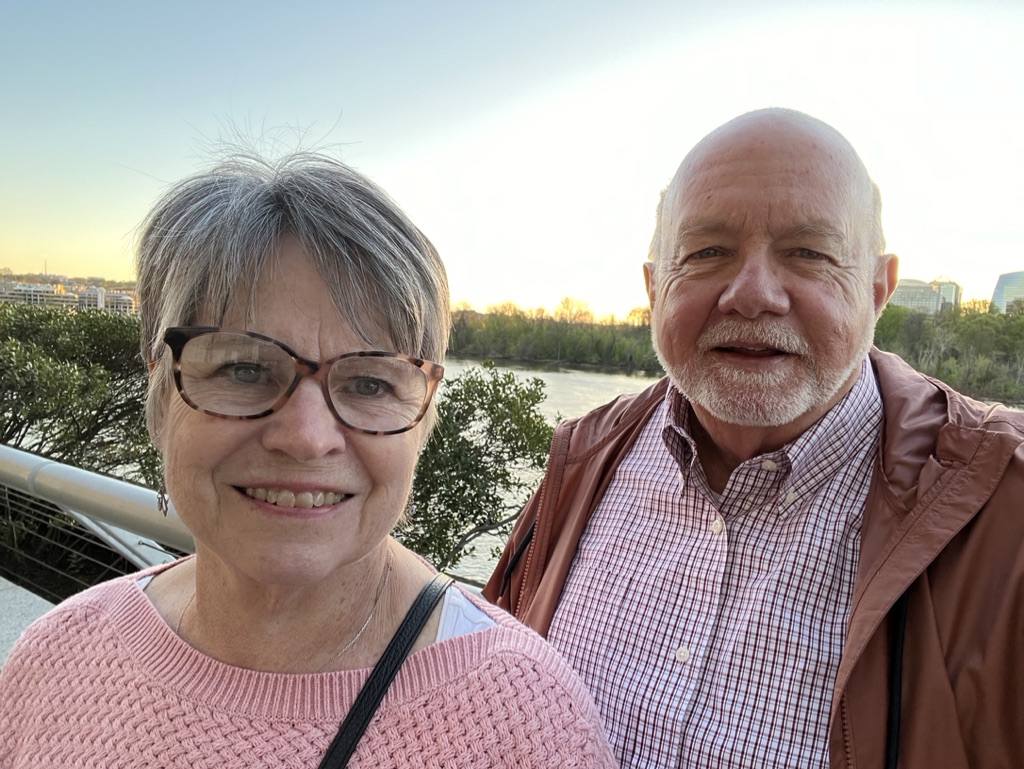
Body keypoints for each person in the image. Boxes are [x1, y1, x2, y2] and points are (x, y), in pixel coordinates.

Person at [0, 152, 616, 768]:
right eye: (244, 369)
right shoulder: (57, 659)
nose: (306, 438)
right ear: (161, 394)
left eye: (370, 383)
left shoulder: (525, 723)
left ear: (423, 416)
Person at [485, 108, 1024, 769]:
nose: (753, 294)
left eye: (809, 253)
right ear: (654, 288)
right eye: (707, 252)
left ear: (878, 289)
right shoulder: (582, 459)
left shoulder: (1004, 508)